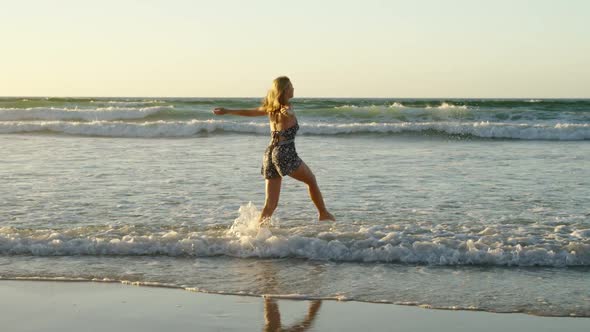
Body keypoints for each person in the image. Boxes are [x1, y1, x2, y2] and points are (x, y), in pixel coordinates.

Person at [213, 76, 335, 224]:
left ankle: (258, 231)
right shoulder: (286, 107)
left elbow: (251, 112)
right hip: (285, 153)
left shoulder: (271, 108)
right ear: (284, 90)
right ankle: (323, 213)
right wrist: (288, 113)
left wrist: (227, 111)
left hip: (269, 154)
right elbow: (287, 112)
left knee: (270, 204)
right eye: (290, 86)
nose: (293, 88)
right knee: (311, 180)